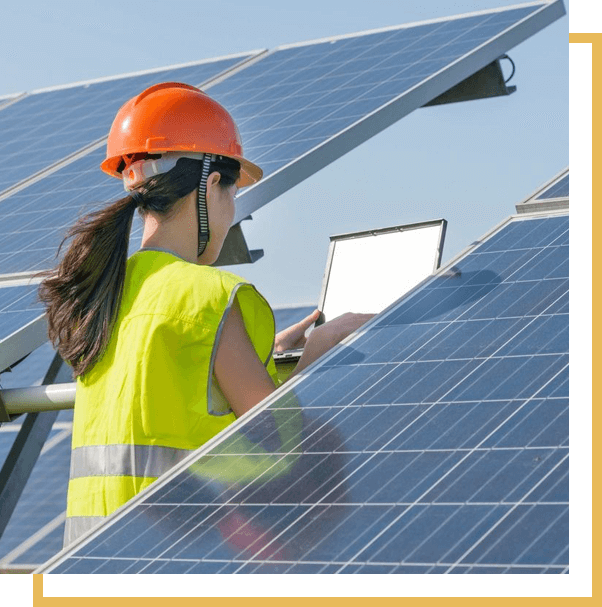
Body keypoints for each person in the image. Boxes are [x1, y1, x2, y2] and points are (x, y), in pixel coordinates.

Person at [38, 82, 373, 546]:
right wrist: (317, 354)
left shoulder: (102, 291)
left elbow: (161, 398)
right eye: (232, 195)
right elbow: (282, 445)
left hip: (88, 557)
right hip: (172, 556)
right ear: (211, 186)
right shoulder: (209, 296)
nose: (231, 212)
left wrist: (267, 356)